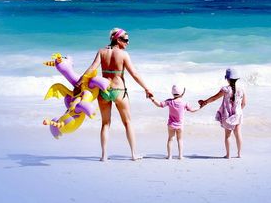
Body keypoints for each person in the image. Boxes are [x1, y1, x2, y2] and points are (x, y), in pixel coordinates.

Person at [75, 28, 153, 161]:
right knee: (128, 122)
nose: (128, 43)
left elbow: (92, 68)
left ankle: (104, 156)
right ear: (117, 39)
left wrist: (79, 82)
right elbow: (134, 74)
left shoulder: (101, 52)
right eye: (126, 40)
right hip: (119, 91)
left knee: (105, 123)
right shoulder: (123, 55)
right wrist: (146, 88)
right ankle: (134, 154)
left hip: (103, 91)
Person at [198, 68, 247, 158]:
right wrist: (238, 111)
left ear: (227, 79)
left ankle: (228, 155)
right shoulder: (241, 89)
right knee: (238, 134)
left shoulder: (225, 89)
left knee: (228, 135)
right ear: (237, 79)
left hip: (227, 115)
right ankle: (239, 154)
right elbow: (244, 103)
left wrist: (204, 102)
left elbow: (214, 98)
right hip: (238, 114)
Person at [150, 85, 198, 160]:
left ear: (172, 93)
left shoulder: (169, 101)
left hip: (171, 125)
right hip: (180, 125)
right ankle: (180, 156)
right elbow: (192, 110)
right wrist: (200, 107)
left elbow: (159, 104)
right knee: (180, 140)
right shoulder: (184, 102)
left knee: (170, 139)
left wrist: (152, 99)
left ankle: (169, 156)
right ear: (182, 93)